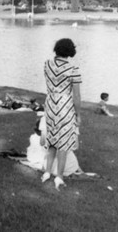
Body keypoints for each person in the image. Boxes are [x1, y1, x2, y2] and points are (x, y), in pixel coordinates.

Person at [42, 38, 82, 190]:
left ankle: (47, 172)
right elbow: (76, 96)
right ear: (70, 51)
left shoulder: (47, 64)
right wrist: (78, 114)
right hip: (65, 106)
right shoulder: (73, 69)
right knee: (63, 144)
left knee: (52, 140)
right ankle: (59, 177)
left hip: (50, 104)